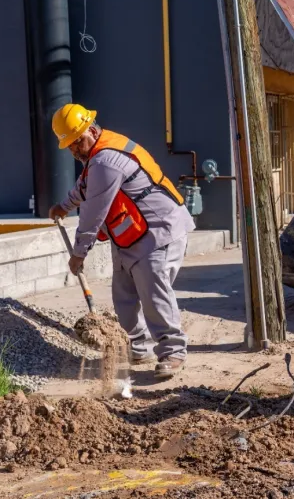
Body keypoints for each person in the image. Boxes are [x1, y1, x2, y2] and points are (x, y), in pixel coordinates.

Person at [48, 103, 195, 379]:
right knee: (124, 297)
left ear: (91, 130)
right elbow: (85, 185)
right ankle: (137, 347)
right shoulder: (96, 155)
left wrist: (80, 252)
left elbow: (93, 210)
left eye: (77, 141)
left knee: (154, 294)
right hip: (131, 233)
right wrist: (64, 205)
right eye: (69, 145)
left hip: (158, 230)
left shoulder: (105, 159)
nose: (74, 150)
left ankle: (172, 351)